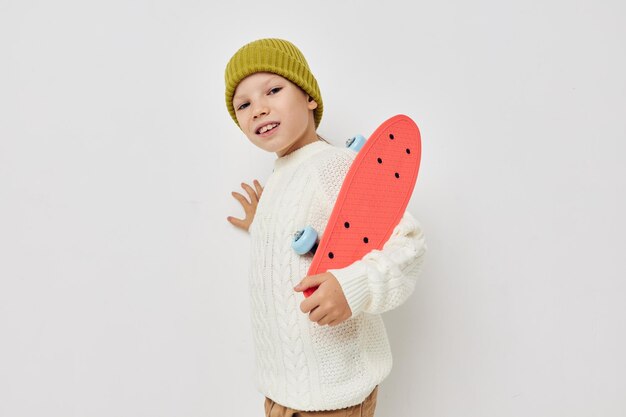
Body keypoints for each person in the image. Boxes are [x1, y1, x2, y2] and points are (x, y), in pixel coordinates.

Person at [225, 38, 427, 417]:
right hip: (281, 394)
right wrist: (265, 222)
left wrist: (354, 288)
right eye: (244, 104)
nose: (259, 108)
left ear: (309, 97)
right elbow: (310, 245)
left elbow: (408, 243)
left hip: (334, 399)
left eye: (273, 89)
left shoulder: (333, 165)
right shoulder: (285, 173)